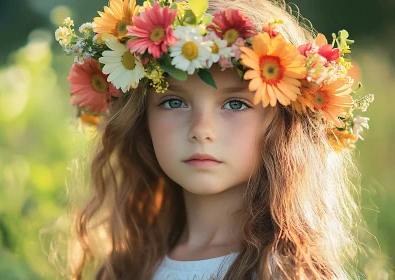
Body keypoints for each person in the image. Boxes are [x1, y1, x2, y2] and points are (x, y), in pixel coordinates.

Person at [54, 0, 374, 278]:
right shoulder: (129, 265)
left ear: (283, 124)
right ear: (142, 121)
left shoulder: (287, 271)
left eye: (235, 104)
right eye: (173, 102)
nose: (200, 129)